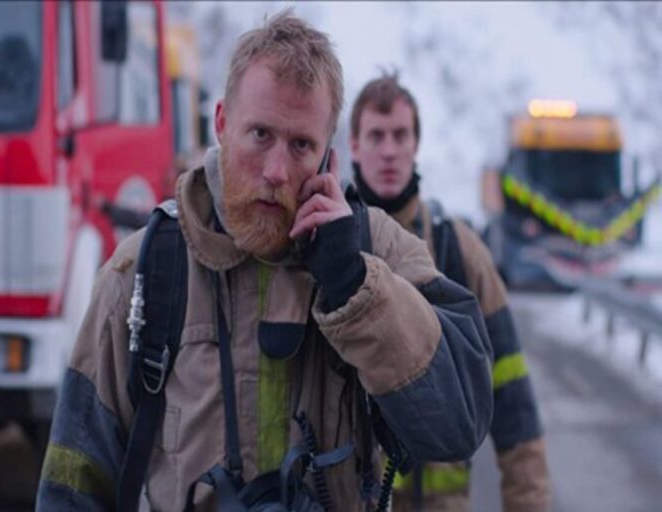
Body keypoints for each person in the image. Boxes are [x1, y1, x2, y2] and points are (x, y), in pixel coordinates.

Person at [37, 12, 493, 511]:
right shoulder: (144, 272)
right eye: (259, 134)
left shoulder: (376, 250)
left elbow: (459, 425)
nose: (276, 171)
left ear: (327, 158)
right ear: (221, 124)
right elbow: (71, 484)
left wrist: (357, 288)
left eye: (301, 145)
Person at [349, 74, 551, 512]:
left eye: (400, 135)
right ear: (354, 146)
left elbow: (512, 397)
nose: (389, 150)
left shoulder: (458, 250)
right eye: (376, 136)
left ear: (416, 144)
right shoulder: (333, 250)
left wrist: (529, 502)